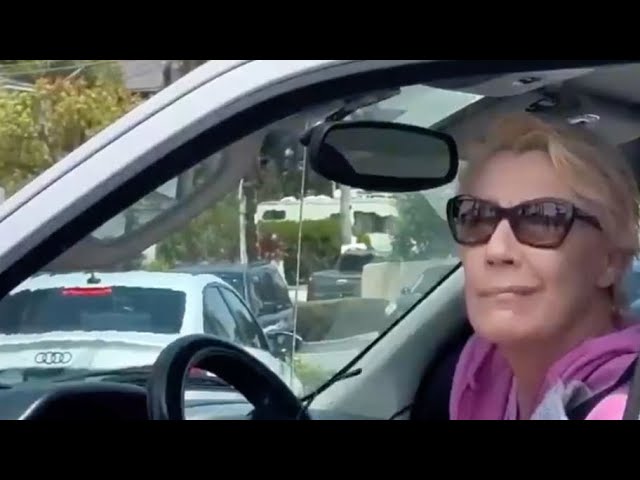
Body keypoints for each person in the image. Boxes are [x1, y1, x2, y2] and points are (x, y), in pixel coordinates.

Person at [446, 112, 640, 420]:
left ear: (610, 261)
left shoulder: (624, 405)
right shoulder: (479, 372)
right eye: (477, 217)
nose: (496, 250)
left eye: (542, 219)